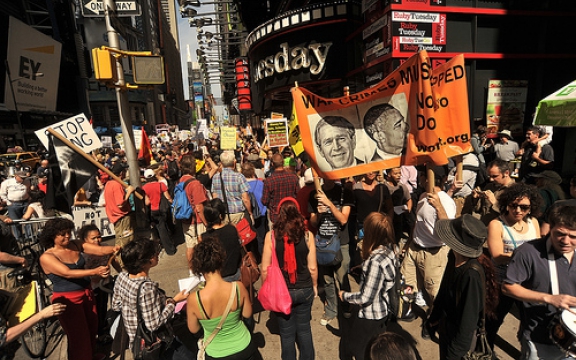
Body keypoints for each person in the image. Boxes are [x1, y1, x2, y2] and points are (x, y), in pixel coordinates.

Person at [502, 205, 576, 360]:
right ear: (550, 228)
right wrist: (549, 298)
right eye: (560, 234)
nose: (566, 241)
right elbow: (508, 287)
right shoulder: (528, 252)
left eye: (573, 237)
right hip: (539, 338)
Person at [39, 218, 118, 360]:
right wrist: (94, 272)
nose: (67, 236)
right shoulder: (47, 257)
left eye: (68, 232)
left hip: (86, 292)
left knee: (91, 327)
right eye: (62, 234)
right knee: (78, 335)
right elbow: (67, 273)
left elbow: (99, 250)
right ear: (52, 236)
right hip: (68, 300)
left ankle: (90, 355)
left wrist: (114, 248)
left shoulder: (75, 244)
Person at [427, 214, 498, 360]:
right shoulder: (453, 257)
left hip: (459, 343)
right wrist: (434, 317)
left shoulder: (471, 274)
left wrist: (454, 354)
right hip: (447, 329)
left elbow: (468, 322)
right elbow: (444, 289)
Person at [112, 238, 192, 359]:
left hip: (135, 340)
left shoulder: (122, 277)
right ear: (144, 263)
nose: (157, 254)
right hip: (156, 343)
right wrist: (173, 301)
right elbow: (153, 324)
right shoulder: (147, 288)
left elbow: (116, 305)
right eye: (154, 254)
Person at [485, 182, 542, 348]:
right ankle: (486, 348)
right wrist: (524, 255)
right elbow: (497, 256)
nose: (518, 210)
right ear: (506, 205)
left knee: (528, 319)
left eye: (524, 207)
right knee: (495, 318)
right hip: (504, 279)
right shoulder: (497, 224)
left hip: (528, 280)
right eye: (514, 205)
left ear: (531, 208)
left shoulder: (533, 223)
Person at [261, 197, 318, 360]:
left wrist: (267, 288)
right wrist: (314, 286)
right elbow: (312, 267)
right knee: (305, 330)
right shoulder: (307, 235)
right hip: (304, 288)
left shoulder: (271, 236)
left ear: (279, 214)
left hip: (281, 291)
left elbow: (265, 269)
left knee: (286, 335)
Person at [186, 235, 257, 359]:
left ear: (199, 267)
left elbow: (194, 329)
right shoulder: (238, 287)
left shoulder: (194, 299)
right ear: (220, 260)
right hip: (244, 347)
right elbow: (247, 314)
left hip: (216, 353)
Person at [339, 212, 398, 360]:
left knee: (361, 351)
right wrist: (363, 267)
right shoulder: (391, 249)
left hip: (371, 316)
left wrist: (344, 296)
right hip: (384, 311)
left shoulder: (375, 262)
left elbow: (365, 297)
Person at [401, 166, 456, 311]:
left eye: (421, 176)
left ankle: (433, 321)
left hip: (434, 255)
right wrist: (408, 243)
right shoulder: (423, 195)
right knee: (406, 284)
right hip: (414, 249)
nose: (419, 178)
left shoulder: (446, 202)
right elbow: (417, 223)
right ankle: (408, 311)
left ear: (426, 178)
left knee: (434, 294)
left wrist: (438, 206)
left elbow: (448, 230)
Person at [309, 177, 354, 325]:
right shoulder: (314, 194)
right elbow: (313, 222)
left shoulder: (344, 192)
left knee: (342, 278)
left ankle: (346, 306)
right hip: (323, 243)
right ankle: (331, 310)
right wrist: (320, 213)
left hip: (341, 243)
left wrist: (329, 204)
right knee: (327, 279)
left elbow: (343, 220)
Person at [78, 224, 121, 343]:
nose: (97, 240)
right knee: (96, 310)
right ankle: (99, 334)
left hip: (105, 284)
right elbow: (81, 273)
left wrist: (123, 273)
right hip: (92, 287)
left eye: (99, 237)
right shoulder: (82, 255)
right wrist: (95, 276)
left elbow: (113, 261)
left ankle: (102, 327)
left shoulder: (105, 247)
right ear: (85, 240)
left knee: (103, 306)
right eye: (93, 238)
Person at [178, 155, 209, 271]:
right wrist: (206, 223)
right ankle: (203, 269)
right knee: (201, 245)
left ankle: (192, 270)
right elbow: (199, 206)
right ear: (192, 167)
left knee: (190, 246)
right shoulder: (195, 183)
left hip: (185, 218)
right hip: (197, 219)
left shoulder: (180, 181)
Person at [201, 198, 242, 282]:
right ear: (220, 215)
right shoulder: (232, 229)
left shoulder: (204, 237)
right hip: (236, 273)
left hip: (218, 279)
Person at [211, 151, 253, 225]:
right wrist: (250, 213)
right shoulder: (239, 177)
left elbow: (215, 197)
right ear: (234, 162)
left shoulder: (215, 177)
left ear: (221, 163)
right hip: (237, 214)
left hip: (223, 214)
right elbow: (245, 198)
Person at [143, 168, 176, 255]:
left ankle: (167, 248)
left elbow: (147, 202)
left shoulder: (145, 188)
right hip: (163, 210)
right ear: (154, 176)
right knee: (166, 227)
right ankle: (171, 246)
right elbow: (168, 197)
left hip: (154, 211)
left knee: (161, 229)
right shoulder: (161, 185)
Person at [261, 153, 299, 226]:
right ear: (283, 162)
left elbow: (264, 201)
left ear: (272, 164)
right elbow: (299, 195)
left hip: (276, 216)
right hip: (291, 214)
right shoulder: (294, 177)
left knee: (276, 236)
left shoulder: (269, 181)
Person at [103, 163, 136, 247]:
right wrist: (129, 192)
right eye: (124, 171)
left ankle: (119, 258)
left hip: (115, 217)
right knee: (126, 242)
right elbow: (120, 204)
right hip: (122, 218)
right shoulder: (116, 185)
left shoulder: (108, 184)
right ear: (121, 173)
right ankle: (124, 259)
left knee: (120, 240)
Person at [241, 162, 267, 255]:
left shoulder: (242, 185)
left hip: (248, 215)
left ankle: (253, 256)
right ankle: (262, 255)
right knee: (261, 236)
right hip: (261, 214)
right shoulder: (260, 183)